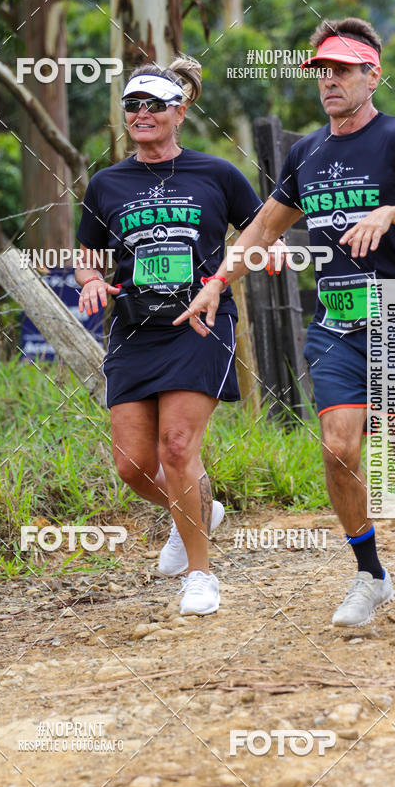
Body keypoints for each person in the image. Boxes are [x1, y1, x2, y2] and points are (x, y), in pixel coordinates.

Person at [175, 18, 395, 626]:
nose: (328, 81)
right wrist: (216, 283)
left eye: (341, 70)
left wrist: (391, 212)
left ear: (372, 74)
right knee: (338, 449)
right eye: (321, 72)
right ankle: (370, 575)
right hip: (336, 321)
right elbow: (262, 228)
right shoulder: (306, 152)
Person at [75, 56, 262, 615]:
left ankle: (200, 577)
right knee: (133, 465)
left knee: (177, 448)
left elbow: (259, 232)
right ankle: (200, 509)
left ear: (180, 111)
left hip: (199, 323)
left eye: (154, 104)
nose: (141, 114)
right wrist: (88, 281)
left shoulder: (217, 174)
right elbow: (88, 254)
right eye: (132, 105)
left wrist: (226, 277)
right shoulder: (107, 183)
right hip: (133, 329)